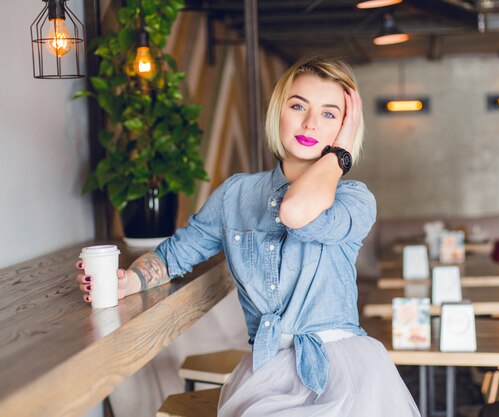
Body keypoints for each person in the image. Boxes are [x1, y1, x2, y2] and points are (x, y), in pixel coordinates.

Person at [77, 56, 420, 416]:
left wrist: (341, 156)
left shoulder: (355, 199)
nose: (310, 123)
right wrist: (130, 281)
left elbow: (295, 211)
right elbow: (177, 252)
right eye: (298, 105)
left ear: (344, 130)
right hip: (268, 367)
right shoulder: (235, 194)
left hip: (342, 374)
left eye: (329, 114)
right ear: (279, 112)